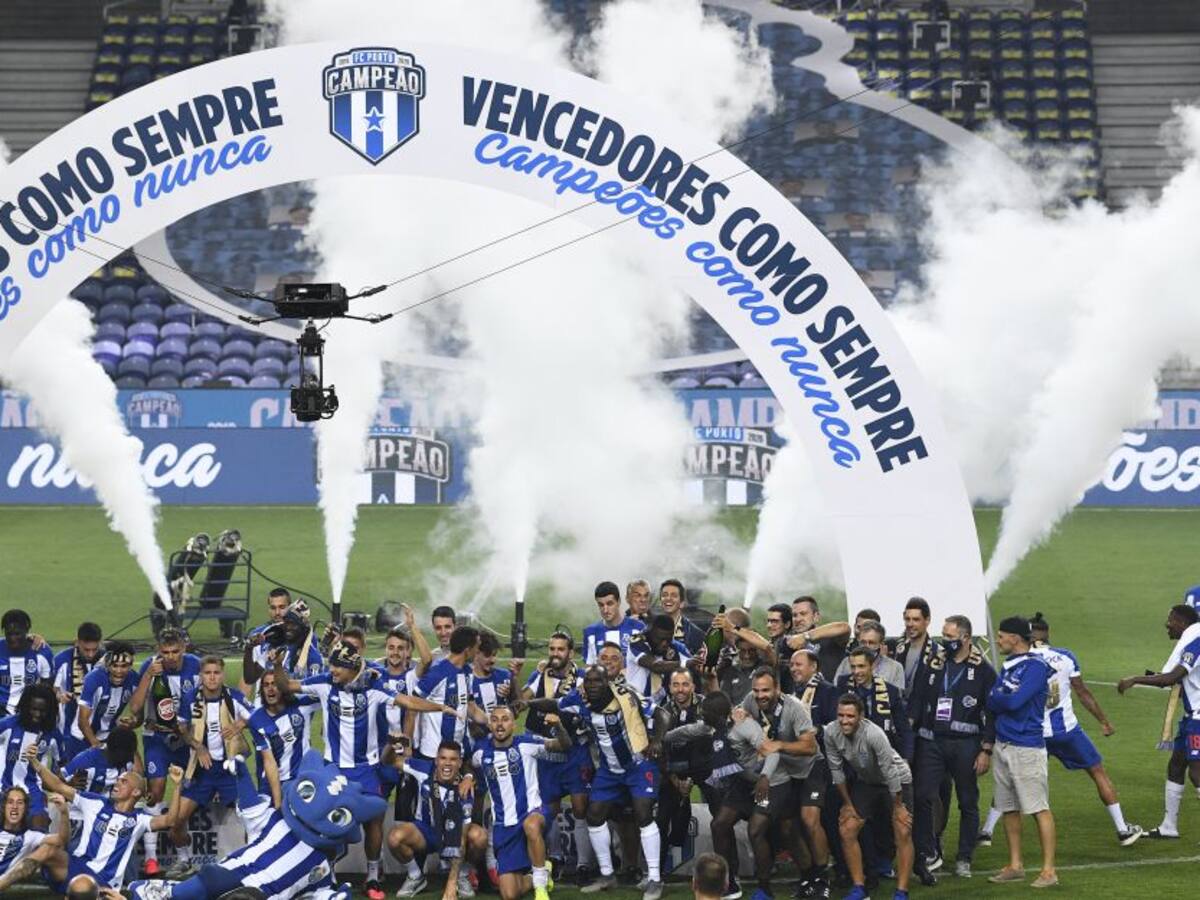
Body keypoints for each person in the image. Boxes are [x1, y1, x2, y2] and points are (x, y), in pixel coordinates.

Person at [285, 639, 459, 900]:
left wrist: (441, 707)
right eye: (332, 666)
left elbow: (408, 702)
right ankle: (325, 875)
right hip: (334, 768)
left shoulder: (374, 686)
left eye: (337, 668)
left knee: (374, 821)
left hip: (367, 768)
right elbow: (287, 685)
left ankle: (373, 876)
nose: (332, 671)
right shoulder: (324, 683)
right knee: (326, 820)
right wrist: (277, 665)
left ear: (351, 668)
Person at [528, 665, 668, 900]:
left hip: (638, 763)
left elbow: (663, 714)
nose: (592, 686)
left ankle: (655, 879)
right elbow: (554, 704)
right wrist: (526, 703)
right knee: (594, 815)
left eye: (597, 681)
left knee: (643, 814)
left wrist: (657, 741)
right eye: (589, 681)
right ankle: (607, 875)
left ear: (607, 682)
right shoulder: (579, 699)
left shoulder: (627, 695)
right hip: (609, 769)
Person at [1020, 613, 1142, 846]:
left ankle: (986, 831)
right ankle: (1123, 829)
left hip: (1033, 733)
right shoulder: (1065, 657)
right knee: (1097, 772)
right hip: (1067, 731)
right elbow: (1083, 693)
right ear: (1047, 634)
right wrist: (1103, 721)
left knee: (1015, 779)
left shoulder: (1020, 659)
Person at [20, 751, 180, 891]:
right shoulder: (95, 802)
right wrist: (35, 762)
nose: (117, 784)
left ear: (136, 791)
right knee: (48, 849)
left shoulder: (139, 819)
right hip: (78, 867)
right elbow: (59, 786)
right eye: (117, 780)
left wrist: (178, 786)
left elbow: (170, 820)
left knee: (82, 888)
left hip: (104, 881)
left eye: (123, 782)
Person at [911, 615, 995, 881]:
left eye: (949, 637)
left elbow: (992, 712)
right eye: (943, 636)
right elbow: (916, 698)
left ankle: (964, 857)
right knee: (923, 795)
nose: (943, 641)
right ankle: (928, 849)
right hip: (932, 741)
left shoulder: (982, 669)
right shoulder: (933, 663)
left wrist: (986, 749)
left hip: (966, 744)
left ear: (966, 639)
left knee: (967, 801)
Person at [170, 655, 265, 880]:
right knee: (176, 820)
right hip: (201, 771)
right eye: (207, 673)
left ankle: (255, 862)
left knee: (253, 819)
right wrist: (197, 746)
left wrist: (241, 723)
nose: (212, 677)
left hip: (229, 769)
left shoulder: (233, 697)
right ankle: (185, 861)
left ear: (222, 675)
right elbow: (181, 727)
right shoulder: (191, 698)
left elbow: (258, 715)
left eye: (216, 673)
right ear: (201, 676)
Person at [739, 667, 831, 900]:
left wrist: (779, 745)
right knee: (788, 828)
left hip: (809, 768)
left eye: (766, 690)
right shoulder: (751, 701)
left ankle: (822, 878)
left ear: (778, 689)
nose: (760, 695)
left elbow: (810, 746)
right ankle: (808, 875)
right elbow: (738, 714)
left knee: (810, 820)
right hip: (783, 773)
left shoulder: (794, 708)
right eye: (757, 690)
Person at [1116, 603, 1200, 839]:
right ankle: (1169, 826)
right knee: (1176, 765)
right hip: (1191, 717)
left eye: (1170, 620)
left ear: (1183, 623)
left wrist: (1135, 679)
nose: (1167, 625)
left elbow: (1171, 678)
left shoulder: (1195, 644)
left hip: (1199, 719)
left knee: (1197, 772)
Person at [985, 616, 1056, 889]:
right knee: (1008, 808)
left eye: (1002, 636)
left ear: (1015, 638)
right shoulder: (1010, 664)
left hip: (1026, 746)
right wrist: (999, 699)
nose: (999, 640)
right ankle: (1015, 865)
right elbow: (992, 700)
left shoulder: (1036, 667)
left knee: (1038, 807)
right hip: (1004, 744)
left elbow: (1011, 701)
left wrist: (999, 699)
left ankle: (1049, 870)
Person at [823, 694, 915, 900]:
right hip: (868, 782)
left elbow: (890, 772)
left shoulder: (874, 734)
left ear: (861, 716)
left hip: (897, 781)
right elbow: (836, 771)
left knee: (902, 830)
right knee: (847, 828)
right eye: (841, 715)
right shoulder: (831, 732)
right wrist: (847, 804)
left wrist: (898, 806)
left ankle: (901, 892)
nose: (845, 720)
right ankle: (859, 888)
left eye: (850, 716)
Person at [475, 705, 572, 900]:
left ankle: (540, 888)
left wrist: (559, 727)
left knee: (531, 824)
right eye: (495, 720)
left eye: (505, 719)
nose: (500, 724)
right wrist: (469, 775)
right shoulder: (481, 754)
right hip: (505, 827)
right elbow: (469, 764)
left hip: (533, 813)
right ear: (490, 724)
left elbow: (564, 745)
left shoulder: (526, 744)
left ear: (513, 724)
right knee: (510, 895)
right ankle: (543, 872)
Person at [126, 626, 200, 877]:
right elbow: (135, 708)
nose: (170, 657)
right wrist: (147, 676)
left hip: (186, 740)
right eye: (165, 652)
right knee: (155, 791)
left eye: (175, 651)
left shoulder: (197, 667)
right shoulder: (150, 665)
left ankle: (184, 859)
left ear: (184, 648)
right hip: (156, 737)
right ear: (159, 650)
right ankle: (151, 860)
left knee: (186, 795)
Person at [520, 630, 592, 881]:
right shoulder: (539, 674)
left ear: (570, 653)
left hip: (574, 752)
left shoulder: (583, 678)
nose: (555, 654)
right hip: (548, 750)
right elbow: (522, 700)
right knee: (549, 808)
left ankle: (583, 864)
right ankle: (556, 858)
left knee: (581, 807)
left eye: (560, 649)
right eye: (551, 649)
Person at [388, 739, 486, 899]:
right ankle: (415, 876)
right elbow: (390, 761)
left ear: (460, 763)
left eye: (453, 759)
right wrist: (390, 747)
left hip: (453, 835)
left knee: (479, 837)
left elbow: (461, 838)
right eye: (443, 758)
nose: (447, 764)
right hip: (425, 832)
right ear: (436, 759)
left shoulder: (465, 788)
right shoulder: (424, 769)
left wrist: (451, 883)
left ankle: (462, 875)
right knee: (395, 837)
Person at [657, 669, 704, 878]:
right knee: (662, 817)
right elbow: (659, 752)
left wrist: (691, 780)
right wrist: (676, 780)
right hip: (673, 769)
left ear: (693, 686)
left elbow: (707, 747)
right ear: (669, 688)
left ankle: (729, 873)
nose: (680, 689)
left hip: (705, 767)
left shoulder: (705, 707)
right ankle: (656, 872)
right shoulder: (662, 712)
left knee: (721, 809)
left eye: (685, 684)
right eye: (676, 685)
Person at [413, 626, 485, 762]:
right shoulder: (438, 673)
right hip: (433, 753)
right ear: (467, 650)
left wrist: (491, 721)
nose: (478, 651)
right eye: (477, 647)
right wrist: (409, 744)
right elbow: (412, 705)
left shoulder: (468, 672)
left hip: (459, 751)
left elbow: (471, 707)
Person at [0, 682, 65, 830]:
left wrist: (67, 782)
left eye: (42, 711)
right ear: (25, 706)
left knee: (39, 826)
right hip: (3, 788)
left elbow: (60, 767)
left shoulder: (53, 735)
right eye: (33, 709)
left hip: (32, 791)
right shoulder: (8, 725)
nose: (37, 714)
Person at [836, 647, 912, 761]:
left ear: (872, 666)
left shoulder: (890, 691)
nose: (856, 672)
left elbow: (904, 728)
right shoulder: (842, 685)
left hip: (881, 753)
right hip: (850, 753)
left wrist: (906, 758)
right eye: (853, 667)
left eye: (861, 666)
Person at [245, 669, 318, 786]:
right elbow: (267, 762)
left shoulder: (300, 704)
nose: (270, 688)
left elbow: (326, 690)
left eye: (275, 684)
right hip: (270, 781)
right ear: (262, 691)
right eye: (266, 685)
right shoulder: (256, 720)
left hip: (300, 780)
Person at [241, 599, 323, 695]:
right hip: (266, 706)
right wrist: (249, 649)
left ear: (303, 627)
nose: (288, 627)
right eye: (287, 622)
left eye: (293, 624)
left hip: (293, 708)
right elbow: (250, 679)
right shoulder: (275, 645)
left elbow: (314, 695)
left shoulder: (313, 657)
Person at [72, 641, 139, 755]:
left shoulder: (134, 679)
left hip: (110, 734)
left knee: (137, 769)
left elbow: (139, 713)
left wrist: (134, 722)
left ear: (130, 666)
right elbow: (82, 721)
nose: (119, 671)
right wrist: (97, 745)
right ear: (108, 665)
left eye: (124, 666)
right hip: (82, 737)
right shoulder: (94, 679)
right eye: (114, 665)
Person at [0, 786, 68, 892]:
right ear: (4, 807)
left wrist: (64, 813)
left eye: (20, 803)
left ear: (26, 809)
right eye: (10, 802)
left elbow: (61, 840)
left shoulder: (31, 836)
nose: (15, 807)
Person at [52, 622, 103, 750]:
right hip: (68, 734)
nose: (91, 654)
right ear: (77, 642)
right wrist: (58, 695)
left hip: (99, 733)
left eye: (94, 649)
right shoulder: (61, 660)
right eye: (86, 650)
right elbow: (48, 687)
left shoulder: (106, 660)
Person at [628, 614, 699, 704]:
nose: (664, 644)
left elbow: (694, 664)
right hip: (635, 704)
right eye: (660, 639)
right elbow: (656, 666)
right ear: (651, 633)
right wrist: (685, 663)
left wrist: (700, 660)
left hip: (661, 706)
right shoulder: (637, 643)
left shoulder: (674, 647)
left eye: (668, 639)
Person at [0, 609, 53, 716]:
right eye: (8, 634)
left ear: (27, 630)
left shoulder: (42, 652)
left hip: (29, 714)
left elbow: (47, 686)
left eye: (17, 634)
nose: (12, 638)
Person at [784, 598, 850, 683]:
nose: (798, 619)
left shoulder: (829, 636)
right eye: (794, 615)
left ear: (816, 616)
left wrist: (805, 636)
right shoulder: (789, 643)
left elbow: (844, 627)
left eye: (803, 614)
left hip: (830, 693)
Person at [63, 724, 139, 797]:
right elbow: (54, 785)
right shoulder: (85, 761)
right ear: (113, 750)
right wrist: (69, 784)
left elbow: (139, 782)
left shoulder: (127, 758)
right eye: (127, 755)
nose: (129, 758)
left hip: (111, 807)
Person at [584, 581, 647, 664]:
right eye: (601, 605)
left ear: (619, 601)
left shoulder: (638, 628)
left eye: (609, 604)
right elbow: (590, 668)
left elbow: (647, 664)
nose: (605, 610)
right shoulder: (590, 633)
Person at [891, 598, 937, 710]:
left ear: (927, 620)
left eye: (916, 619)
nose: (910, 624)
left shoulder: (937, 652)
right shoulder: (896, 649)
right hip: (897, 713)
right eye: (907, 619)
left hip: (923, 716)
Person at [833, 623, 905, 693]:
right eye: (863, 642)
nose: (866, 647)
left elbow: (898, 697)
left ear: (881, 644)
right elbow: (837, 690)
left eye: (871, 643)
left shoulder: (895, 668)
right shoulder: (847, 663)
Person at [790, 649, 839, 735]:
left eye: (798, 664)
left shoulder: (829, 691)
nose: (793, 669)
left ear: (813, 667)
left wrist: (817, 730)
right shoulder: (792, 691)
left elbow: (835, 725)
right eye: (791, 665)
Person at [659, 580, 705, 654]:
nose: (668, 598)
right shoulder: (647, 629)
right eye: (664, 595)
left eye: (674, 595)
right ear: (660, 602)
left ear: (682, 603)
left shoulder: (697, 635)